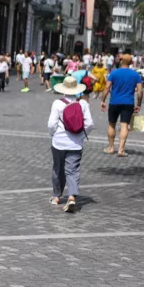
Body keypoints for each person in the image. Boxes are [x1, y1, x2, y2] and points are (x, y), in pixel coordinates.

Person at [48, 76, 94, 213]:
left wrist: (53, 134)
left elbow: (51, 124)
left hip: (59, 142)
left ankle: (57, 197)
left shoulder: (57, 103)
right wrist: (81, 135)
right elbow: (90, 124)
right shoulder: (83, 104)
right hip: (76, 144)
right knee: (72, 170)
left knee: (58, 168)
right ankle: (72, 197)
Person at [101, 55, 144, 157]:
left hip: (114, 102)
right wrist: (139, 104)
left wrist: (102, 100)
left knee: (112, 124)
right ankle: (121, 150)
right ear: (130, 63)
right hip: (128, 103)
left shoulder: (114, 73)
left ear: (121, 62)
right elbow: (140, 92)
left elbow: (107, 88)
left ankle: (111, 148)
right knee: (124, 125)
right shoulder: (135, 75)